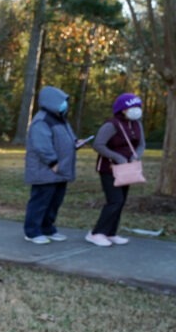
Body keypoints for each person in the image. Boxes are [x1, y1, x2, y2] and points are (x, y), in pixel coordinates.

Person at [23, 86, 84, 244]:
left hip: (59, 170)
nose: (65, 104)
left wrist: (75, 142)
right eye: (62, 101)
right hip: (46, 170)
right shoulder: (41, 120)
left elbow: (65, 138)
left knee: (54, 202)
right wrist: (53, 162)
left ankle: (47, 228)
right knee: (41, 201)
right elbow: (41, 145)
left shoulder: (61, 119)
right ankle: (32, 232)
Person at [86, 93, 146, 247]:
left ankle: (110, 233)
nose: (136, 110)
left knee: (121, 201)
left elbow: (141, 144)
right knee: (115, 200)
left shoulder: (137, 124)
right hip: (109, 169)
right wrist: (117, 157)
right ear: (123, 109)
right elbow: (98, 145)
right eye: (132, 107)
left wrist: (135, 155)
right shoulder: (111, 125)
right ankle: (96, 233)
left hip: (128, 168)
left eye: (138, 107)